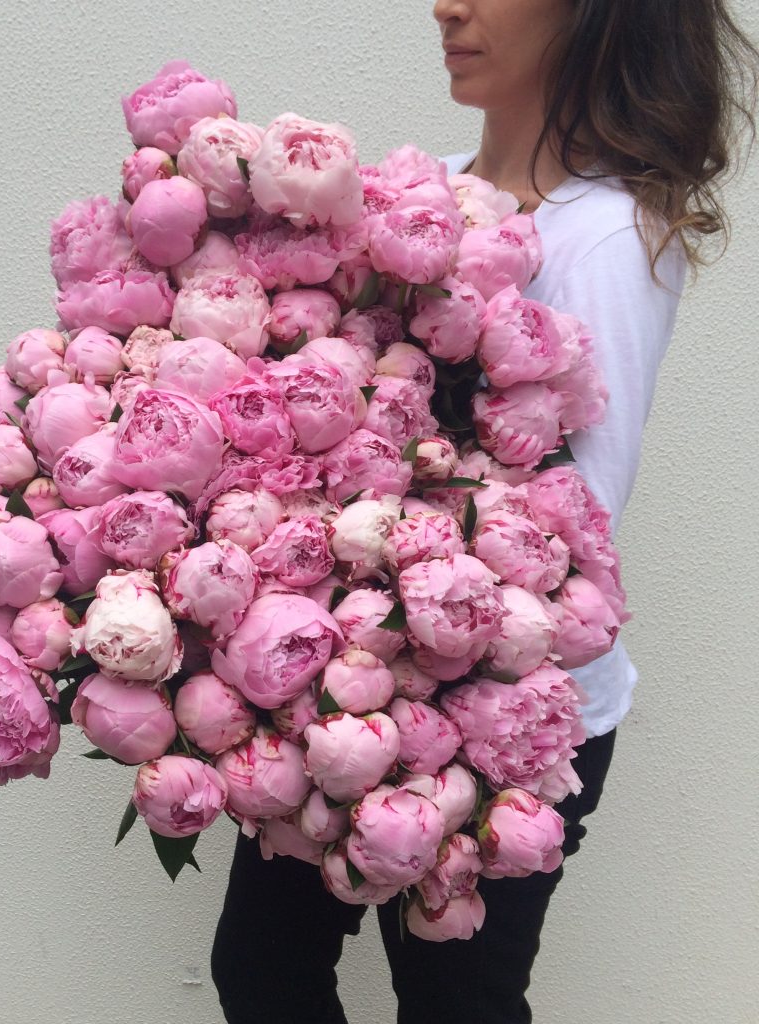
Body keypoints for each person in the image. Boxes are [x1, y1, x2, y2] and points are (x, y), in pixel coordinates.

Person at [210, 2, 759, 1022]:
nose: (448, 6)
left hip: (511, 714)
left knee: (455, 1002)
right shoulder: (432, 194)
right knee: (261, 968)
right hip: (353, 681)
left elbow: (573, 524)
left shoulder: (605, 234)